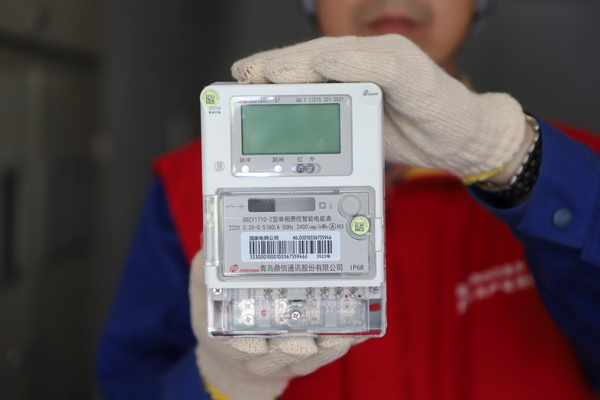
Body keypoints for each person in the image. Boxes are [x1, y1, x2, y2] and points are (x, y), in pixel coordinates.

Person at [96, 0, 600, 399]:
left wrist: (517, 159)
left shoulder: (574, 167)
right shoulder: (188, 181)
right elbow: (131, 383)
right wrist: (221, 382)